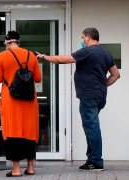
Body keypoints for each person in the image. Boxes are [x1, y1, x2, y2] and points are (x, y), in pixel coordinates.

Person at [36, 27, 120, 171]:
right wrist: (102, 85)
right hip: (99, 96)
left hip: (88, 96)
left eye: (83, 37)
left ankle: (96, 161)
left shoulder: (87, 51)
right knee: (91, 127)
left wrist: (44, 57)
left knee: (92, 128)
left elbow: (62, 59)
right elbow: (115, 74)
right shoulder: (106, 53)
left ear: (88, 37)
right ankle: (91, 159)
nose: (82, 40)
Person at [0, 31, 42, 177]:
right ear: (18, 42)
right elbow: (38, 79)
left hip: (11, 101)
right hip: (29, 101)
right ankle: (31, 167)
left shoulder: (2, 56)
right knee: (29, 132)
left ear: (7, 43)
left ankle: (16, 169)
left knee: (13, 132)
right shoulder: (31, 55)